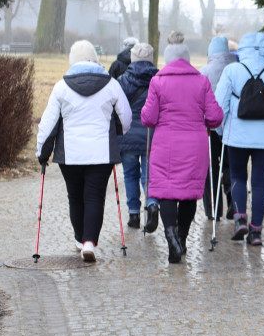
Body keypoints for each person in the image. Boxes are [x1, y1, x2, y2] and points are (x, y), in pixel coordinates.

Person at [36, 40, 132, 263]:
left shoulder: (61, 87)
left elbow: (48, 125)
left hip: (70, 155)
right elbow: (126, 119)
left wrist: (42, 153)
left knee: (75, 197)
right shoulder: (111, 85)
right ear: (95, 60)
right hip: (101, 153)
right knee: (95, 197)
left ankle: (79, 240)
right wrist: (118, 132)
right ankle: (90, 242)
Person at [141, 35, 224, 263]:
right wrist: (201, 122)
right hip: (195, 145)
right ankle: (182, 239)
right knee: (188, 193)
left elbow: (148, 117)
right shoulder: (202, 81)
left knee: (167, 191)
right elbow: (215, 116)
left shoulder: (157, 81)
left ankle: (171, 238)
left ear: (167, 58)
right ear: (187, 59)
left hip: (165, 144)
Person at [214, 32, 264, 246]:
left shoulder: (231, 71)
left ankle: (240, 219)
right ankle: (256, 231)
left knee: (238, 175)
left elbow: (219, 107)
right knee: (259, 183)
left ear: (242, 50)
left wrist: (220, 129)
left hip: (236, 137)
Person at [117, 42, 157, 229]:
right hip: (151, 136)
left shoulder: (121, 81)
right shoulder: (158, 80)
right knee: (148, 176)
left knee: (130, 175)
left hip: (127, 137)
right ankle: (151, 205)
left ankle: (133, 215)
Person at [200, 35, 238, 220]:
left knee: (211, 166)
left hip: (209, 126)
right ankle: (234, 201)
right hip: (232, 125)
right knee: (231, 164)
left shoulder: (204, 71)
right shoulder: (237, 69)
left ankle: (213, 209)